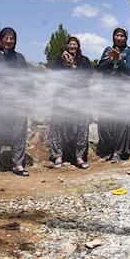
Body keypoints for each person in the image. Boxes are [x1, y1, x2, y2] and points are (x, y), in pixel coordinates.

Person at [0, 27, 30, 177]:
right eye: (6, 38)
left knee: (18, 131)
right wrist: (0, 91)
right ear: (0, 39)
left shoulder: (20, 58)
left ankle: (17, 163)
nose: (9, 41)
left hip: (17, 103)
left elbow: (26, 78)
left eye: (12, 39)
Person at [49, 36, 94, 169]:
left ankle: (79, 157)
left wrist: (73, 66)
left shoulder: (84, 61)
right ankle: (58, 156)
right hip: (62, 99)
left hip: (80, 100)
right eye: (70, 44)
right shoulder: (59, 60)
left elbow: (88, 76)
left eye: (75, 44)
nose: (72, 46)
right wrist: (64, 64)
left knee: (81, 126)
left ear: (78, 46)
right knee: (57, 125)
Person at [96, 27, 130, 163]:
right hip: (107, 92)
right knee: (106, 122)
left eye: (122, 36)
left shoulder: (129, 52)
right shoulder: (107, 51)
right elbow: (99, 69)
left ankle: (118, 153)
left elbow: (129, 70)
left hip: (123, 93)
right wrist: (109, 60)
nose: (119, 38)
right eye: (116, 35)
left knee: (121, 122)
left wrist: (119, 60)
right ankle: (108, 151)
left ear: (126, 38)